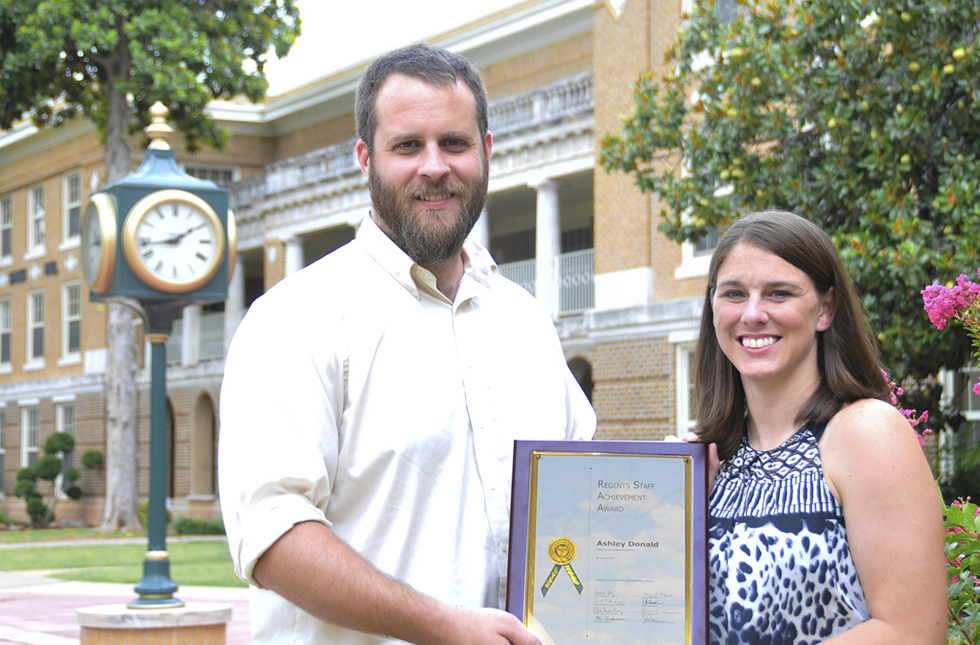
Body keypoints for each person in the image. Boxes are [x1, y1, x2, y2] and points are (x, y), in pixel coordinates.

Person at [217, 43, 595, 645]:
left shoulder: (525, 320)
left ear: (487, 150)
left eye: (454, 142)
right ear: (366, 158)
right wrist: (441, 627)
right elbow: (272, 534)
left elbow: (580, 490)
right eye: (406, 146)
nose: (434, 166)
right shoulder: (294, 319)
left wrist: (673, 488)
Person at [687, 210, 946, 644]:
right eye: (733, 293)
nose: (752, 314)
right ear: (713, 307)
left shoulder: (866, 433)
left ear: (825, 309)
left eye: (778, 293)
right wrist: (674, 508)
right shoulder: (713, 458)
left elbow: (913, 632)